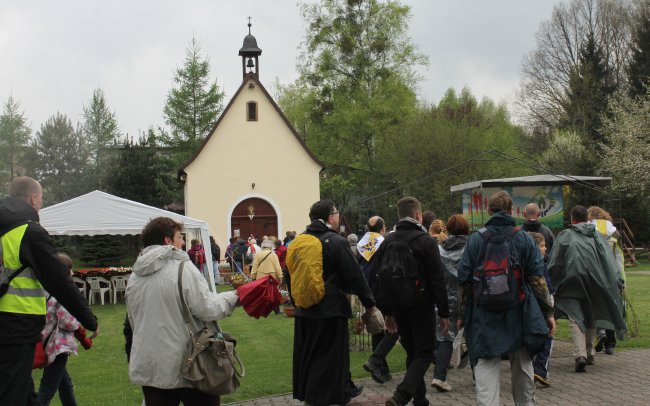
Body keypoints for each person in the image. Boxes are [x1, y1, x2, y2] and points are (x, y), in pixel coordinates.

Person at [0, 176, 98, 405]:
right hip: (17, 325)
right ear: (34, 198)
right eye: (41, 198)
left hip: (9, 326)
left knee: (23, 391)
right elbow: (59, 280)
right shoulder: (28, 231)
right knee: (12, 394)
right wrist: (89, 319)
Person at [126, 216, 240, 406]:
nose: (183, 242)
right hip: (189, 363)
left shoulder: (135, 276)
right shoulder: (182, 267)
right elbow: (208, 308)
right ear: (167, 240)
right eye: (180, 237)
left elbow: (133, 320)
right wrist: (235, 297)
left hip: (150, 364)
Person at [458, 191, 555, 406]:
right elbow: (537, 279)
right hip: (520, 310)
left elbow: (464, 279)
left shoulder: (476, 239)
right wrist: (548, 312)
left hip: (484, 312)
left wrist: (462, 314)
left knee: (485, 362)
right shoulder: (523, 239)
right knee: (522, 363)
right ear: (512, 211)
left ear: (490, 211)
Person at [290, 199, 379, 406]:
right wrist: (369, 303)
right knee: (329, 356)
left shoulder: (299, 242)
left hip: (304, 308)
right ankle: (319, 398)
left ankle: (341, 390)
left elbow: (290, 274)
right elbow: (354, 276)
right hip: (330, 309)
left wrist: (297, 301)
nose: (339, 216)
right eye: (337, 213)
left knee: (310, 354)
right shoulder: (336, 241)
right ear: (330, 217)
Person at [367, 197, 450, 406]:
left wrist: (387, 311)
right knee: (424, 352)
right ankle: (402, 395)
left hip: (398, 306)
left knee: (412, 351)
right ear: (418, 215)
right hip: (421, 305)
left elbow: (380, 278)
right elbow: (437, 279)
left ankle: (420, 399)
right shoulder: (425, 241)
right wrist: (444, 312)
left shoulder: (387, 242)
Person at [547, 205, 626, 372]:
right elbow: (608, 260)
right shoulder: (597, 236)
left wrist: (550, 278)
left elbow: (555, 261)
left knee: (575, 318)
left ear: (572, 219)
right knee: (590, 317)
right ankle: (590, 353)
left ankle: (580, 355)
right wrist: (614, 281)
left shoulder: (565, 236)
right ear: (587, 219)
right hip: (594, 282)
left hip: (570, 284)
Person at [38, 253, 93, 406]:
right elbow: (68, 321)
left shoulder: (44, 287)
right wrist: (82, 332)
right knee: (47, 389)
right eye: (70, 269)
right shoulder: (60, 292)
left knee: (65, 384)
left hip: (48, 343)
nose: (73, 273)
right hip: (57, 346)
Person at [431, 214, 469, 392]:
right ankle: (481, 375)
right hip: (465, 298)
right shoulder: (470, 248)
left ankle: (439, 375)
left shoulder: (439, 250)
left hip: (445, 298)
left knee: (446, 335)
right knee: (472, 336)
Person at [359, 215, 398, 384]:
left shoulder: (361, 244)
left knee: (377, 328)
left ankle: (382, 370)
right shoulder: (385, 242)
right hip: (383, 290)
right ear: (382, 228)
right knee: (393, 327)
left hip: (367, 291)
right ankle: (376, 361)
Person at [587, 206, 625, 355]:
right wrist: (621, 277)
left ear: (590, 216)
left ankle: (600, 332)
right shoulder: (614, 231)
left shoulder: (588, 229)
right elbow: (619, 256)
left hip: (594, 273)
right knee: (611, 305)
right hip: (612, 274)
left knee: (595, 305)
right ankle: (610, 343)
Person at [528, 232, 555, 387]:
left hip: (530, 306)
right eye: (543, 246)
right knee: (548, 335)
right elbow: (545, 287)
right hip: (542, 305)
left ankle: (530, 369)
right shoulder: (540, 265)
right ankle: (541, 369)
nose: (545, 249)